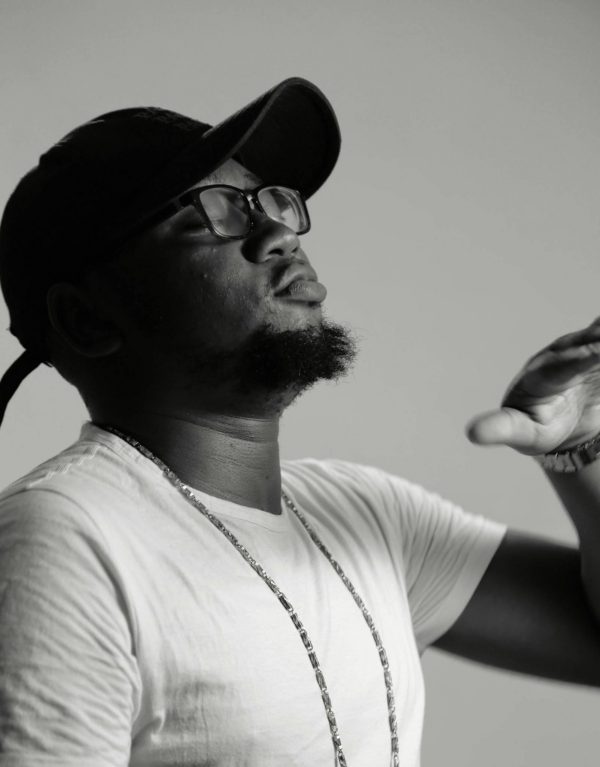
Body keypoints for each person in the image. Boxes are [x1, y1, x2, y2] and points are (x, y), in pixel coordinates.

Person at [0, 77, 598, 767]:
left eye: (267, 201)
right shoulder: (64, 541)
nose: (280, 231)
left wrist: (581, 448)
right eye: (212, 212)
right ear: (86, 319)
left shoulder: (363, 513)